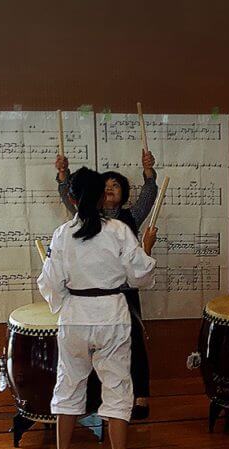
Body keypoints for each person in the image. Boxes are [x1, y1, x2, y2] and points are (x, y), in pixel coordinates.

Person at [37, 167, 158, 449]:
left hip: (75, 315)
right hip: (111, 314)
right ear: (102, 197)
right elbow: (140, 276)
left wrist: (63, 302)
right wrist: (147, 249)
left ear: (73, 198)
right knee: (118, 388)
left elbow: (49, 283)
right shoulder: (118, 230)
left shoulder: (63, 233)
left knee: (68, 383)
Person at [56, 150, 157, 419]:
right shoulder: (85, 217)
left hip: (123, 294)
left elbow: (149, 197)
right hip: (91, 299)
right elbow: (70, 196)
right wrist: (63, 176)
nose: (110, 188)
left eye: (116, 185)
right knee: (91, 352)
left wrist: (148, 172)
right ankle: (97, 399)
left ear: (124, 194)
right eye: (106, 185)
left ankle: (140, 396)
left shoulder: (129, 218)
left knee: (134, 344)